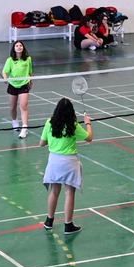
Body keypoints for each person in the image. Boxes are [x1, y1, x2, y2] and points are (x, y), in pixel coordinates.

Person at [39, 98, 92, 233]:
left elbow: (42, 143)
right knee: (69, 193)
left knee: (54, 191)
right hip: (69, 162)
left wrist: (54, 141)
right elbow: (89, 138)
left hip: (54, 161)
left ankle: (49, 221)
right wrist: (88, 123)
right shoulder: (73, 125)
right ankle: (68, 225)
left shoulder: (49, 123)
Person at [3, 41, 33, 137]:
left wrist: (31, 81)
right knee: (12, 107)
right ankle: (14, 121)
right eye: (17, 46)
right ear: (14, 48)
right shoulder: (10, 60)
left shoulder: (28, 59)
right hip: (13, 85)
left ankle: (24, 128)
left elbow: (30, 71)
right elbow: (4, 71)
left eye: (20, 45)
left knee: (23, 106)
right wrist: (5, 78)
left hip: (24, 85)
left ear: (23, 48)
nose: (19, 47)